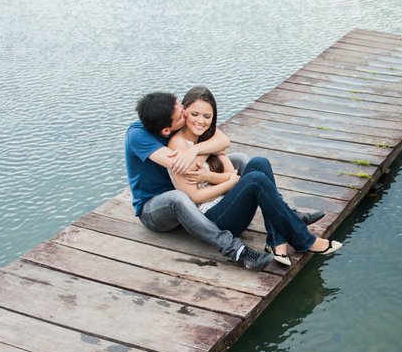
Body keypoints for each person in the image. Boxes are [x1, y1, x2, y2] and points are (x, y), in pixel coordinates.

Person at [167, 86, 341, 266]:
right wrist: (231, 181)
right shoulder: (178, 145)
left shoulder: (207, 136)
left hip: (229, 205)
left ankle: (277, 242)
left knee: (260, 162)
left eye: (207, 117)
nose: (201, 121)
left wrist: (211, 176)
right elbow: (194, 197)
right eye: (195, 114)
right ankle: (304, 240)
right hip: (212, 220)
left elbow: (229, 173)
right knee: (255, 180)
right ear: (184, 111)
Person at [125, 91, 274, 271]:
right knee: (178, 198)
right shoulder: (138, 136)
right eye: (182, 114)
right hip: (154, 208)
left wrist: (194, 150)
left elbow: (223, 140)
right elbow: (187, 166)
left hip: (187, 193)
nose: (187, 113)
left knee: (241, 159)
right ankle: (235, 250)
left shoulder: (171, 121)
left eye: (182, 106)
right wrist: (204, 155)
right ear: (166, 130)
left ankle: (283, 210)